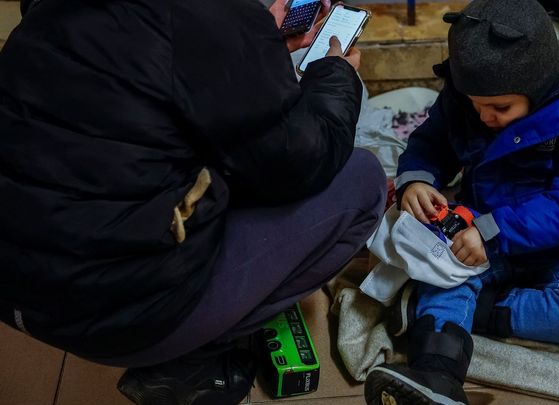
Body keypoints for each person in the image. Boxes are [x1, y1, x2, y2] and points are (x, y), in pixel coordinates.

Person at [0, 0, 386, 404]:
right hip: (111, 315)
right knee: (361, 181)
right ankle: (192, 360)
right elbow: (300, 163)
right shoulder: (211, 17)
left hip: (16, 287)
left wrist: (245, 41)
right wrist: (334, 75)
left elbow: (144, 67)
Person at [363, 0, 559, 404]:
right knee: (445, 275)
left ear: (538, 86)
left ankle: (452, 310)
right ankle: (437, 381)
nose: (485, 116)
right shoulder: (472, 95)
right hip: (479, 233)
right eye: (475, 105)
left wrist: (492, 232)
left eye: (500, 108)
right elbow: (430, 142)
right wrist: (416, 181)